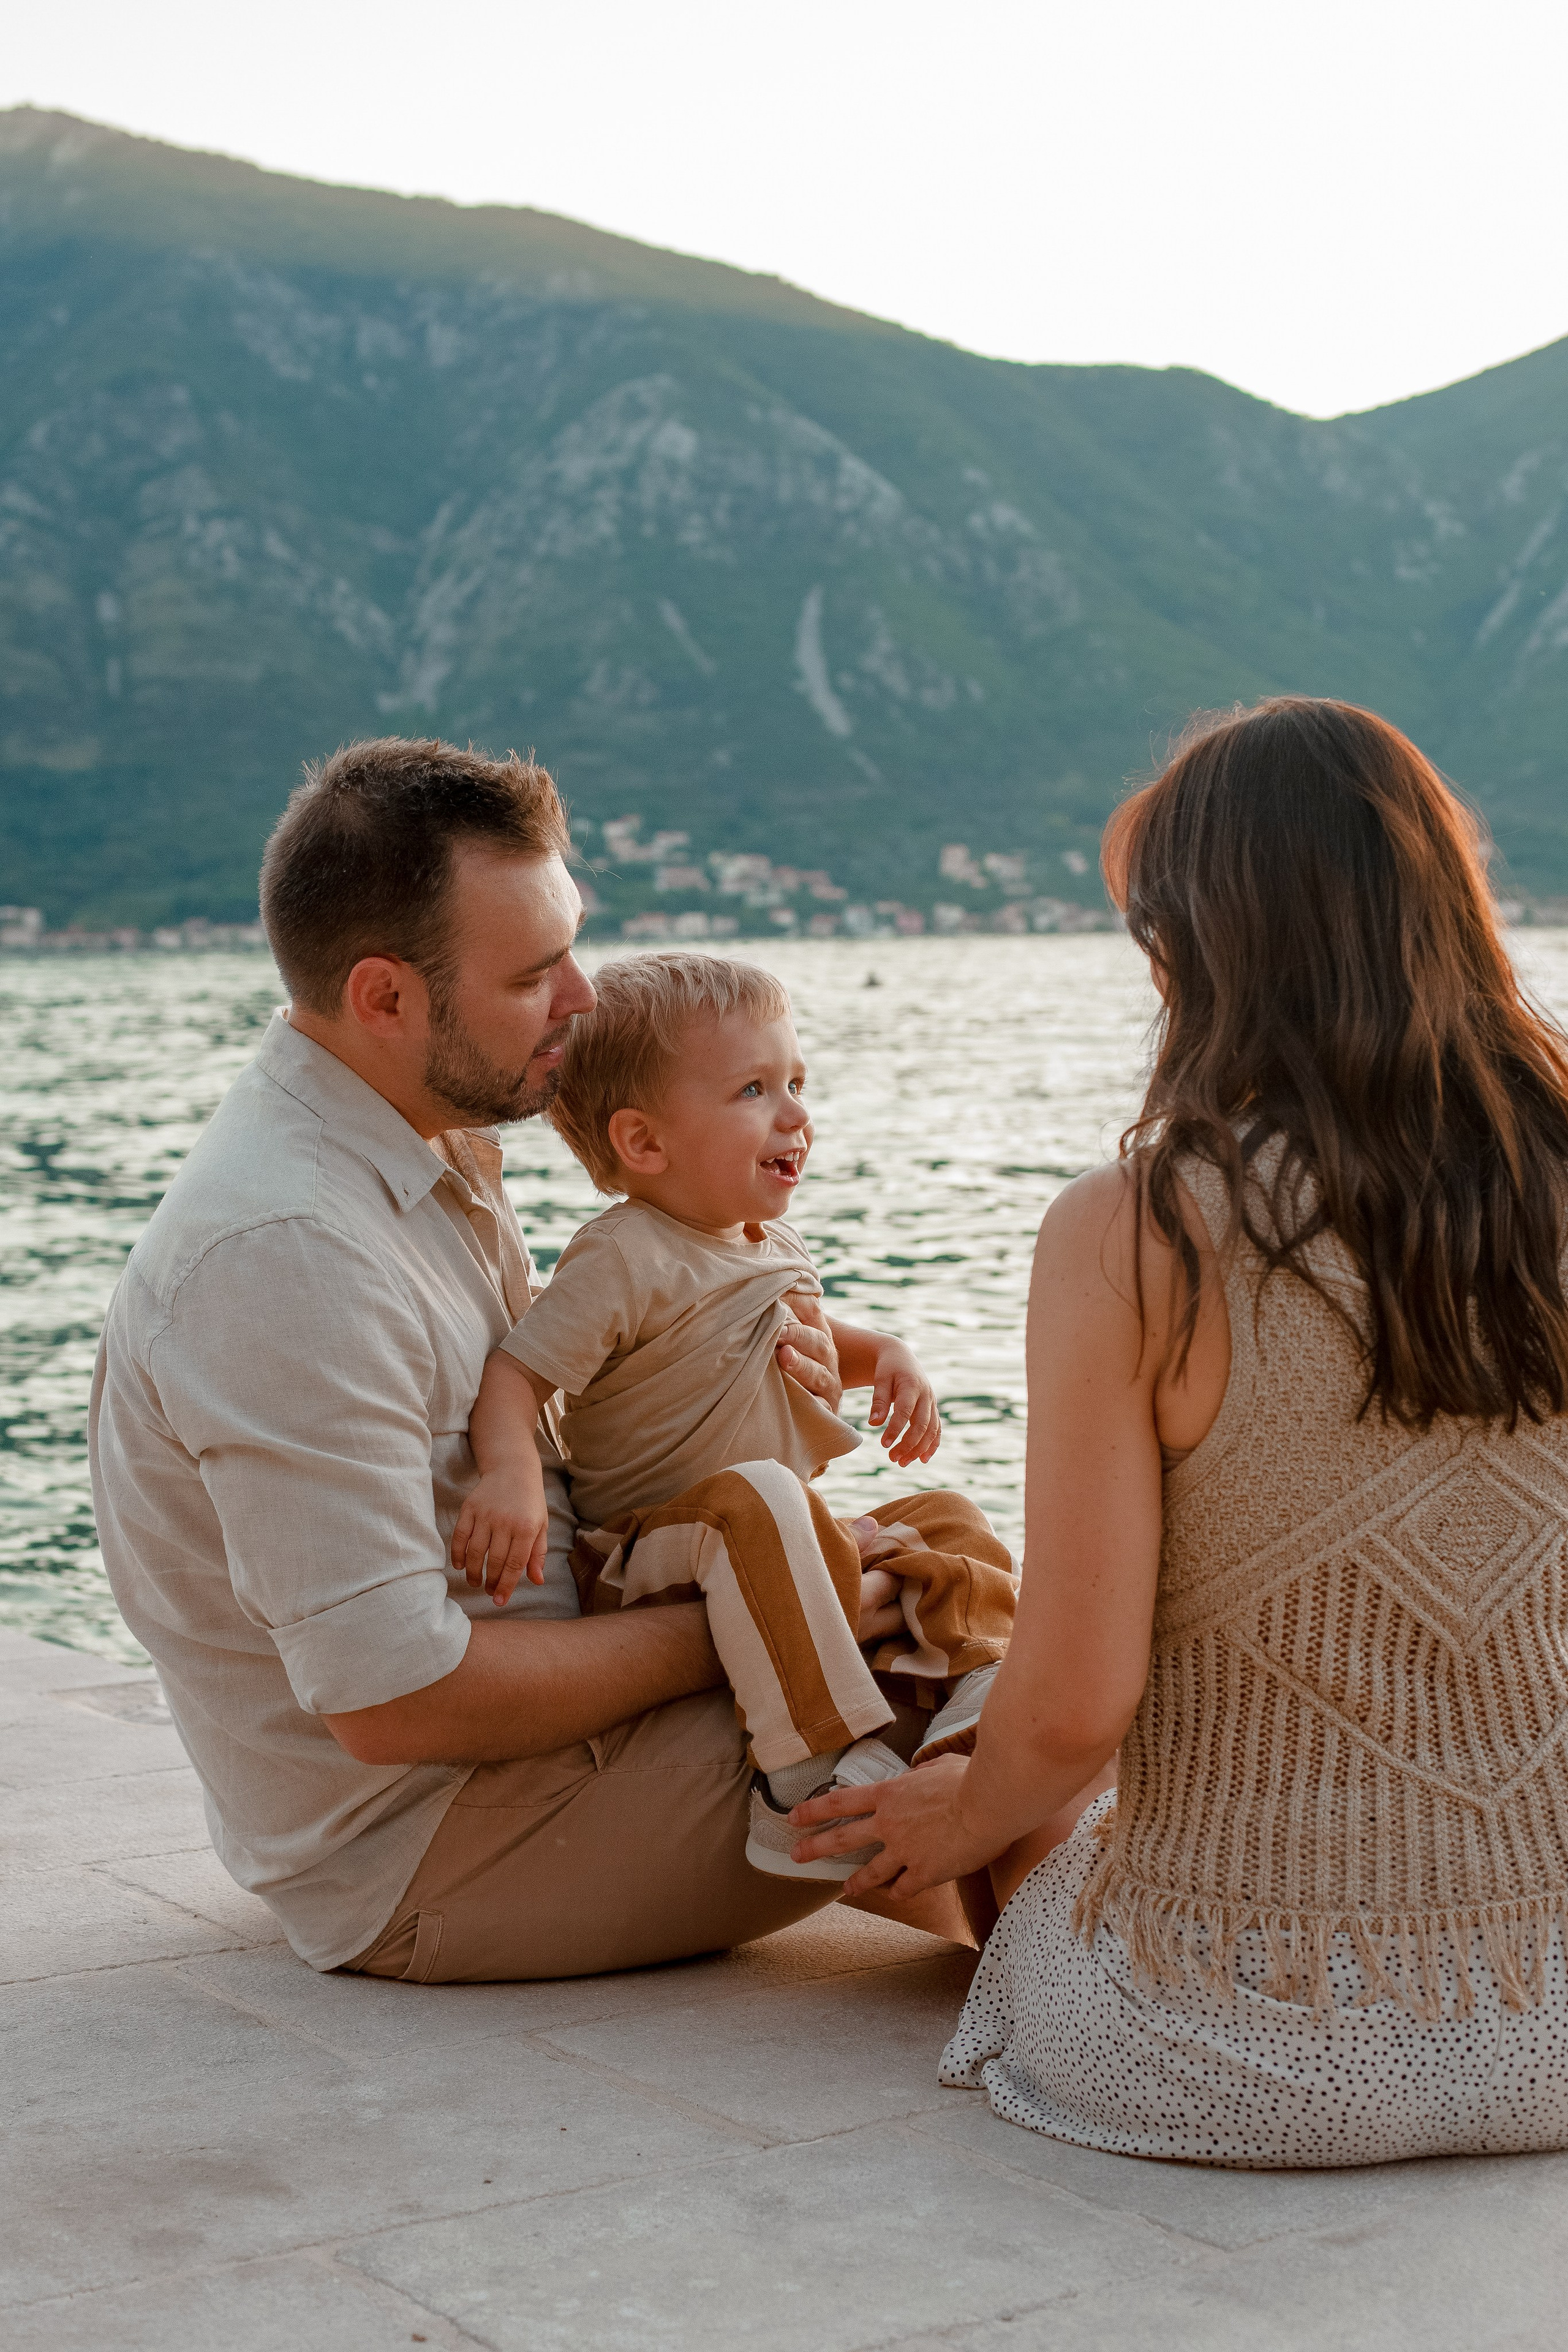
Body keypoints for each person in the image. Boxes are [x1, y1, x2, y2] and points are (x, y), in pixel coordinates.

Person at [791, 696, 1568, 2165]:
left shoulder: (1133, 1227)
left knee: (956, 1823)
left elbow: (1077, 1698)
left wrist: (966, 1819)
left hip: (1236, 2041)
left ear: (1206, 943)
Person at [88, 737, 973, 1985]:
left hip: (546, 1749)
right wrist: (775, 1604)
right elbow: (396, 1702)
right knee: (981, 1710)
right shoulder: (286, 1254)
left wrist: (745, 1427)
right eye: (534, 973)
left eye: (573, 946)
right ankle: (1155, 2029)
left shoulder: (426, 1149)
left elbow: (579, 1447)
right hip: (441, 1845)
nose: (585, 1000)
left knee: (968, 1612)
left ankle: (1098, 1985)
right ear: (385, 997)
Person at [452, 950, 1016, 1877]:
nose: (795, 1113)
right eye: (755, 1089)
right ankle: (806, 1780)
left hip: (775, 1534)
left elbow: (825, 1329)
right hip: (652, 1550)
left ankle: (981, 1689)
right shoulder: (625, 1256)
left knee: (948, 1518)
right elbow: (516, 1375)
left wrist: (896, 1360)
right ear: (644, 1143)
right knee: (760, 1497)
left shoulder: (771, 1241)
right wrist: (511, 1474)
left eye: (795, 1081)